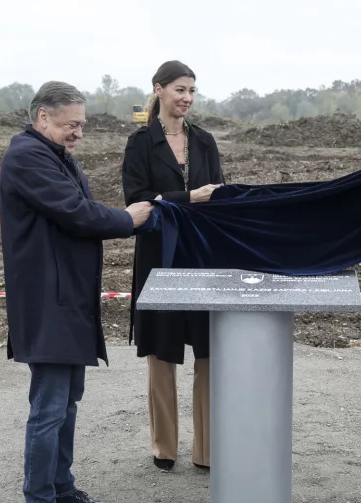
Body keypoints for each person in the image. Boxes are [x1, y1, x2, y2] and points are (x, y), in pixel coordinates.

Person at [0, 80, 154, 503]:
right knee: (48, 407)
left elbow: (80, 209)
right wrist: (128, 219)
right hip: (47, 302)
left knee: (67, 402)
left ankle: (61, 488)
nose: (78, 133)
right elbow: (77, 213)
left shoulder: (58, 156)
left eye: (81, 125)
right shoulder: (27, 157)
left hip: (68, 300)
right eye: (71, 124)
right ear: (42, 117)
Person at [121, 60, 224, 472]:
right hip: (157, 258)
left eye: (192, 91)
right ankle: (164, 448)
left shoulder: (205, 141)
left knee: (209, 351)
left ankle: (208, 451)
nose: (187, 98)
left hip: (201, 256)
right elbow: (137, 198)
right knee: (161, 355)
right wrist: (188, 199)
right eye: (180, 89)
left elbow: (217, 195)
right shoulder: (139, 143)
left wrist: (202, 201)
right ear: (159, 89)